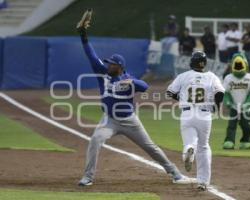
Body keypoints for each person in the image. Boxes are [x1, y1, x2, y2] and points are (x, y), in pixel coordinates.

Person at [76, 9, 193, 186]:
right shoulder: (103, 73)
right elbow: (90, 54)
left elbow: (145, 87)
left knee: (150, 148)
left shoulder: (127, 79)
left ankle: (175, 174)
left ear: (120, 67)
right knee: (95, 140)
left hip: (130, 121)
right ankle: (88, 177)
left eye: (112, 64)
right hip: (109, 119)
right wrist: (83, 34)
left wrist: (131, 83)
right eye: (108, 63)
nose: (108, 65)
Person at [167, 51, 225, 191]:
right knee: (204, 146)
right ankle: (202, 182)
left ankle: (188, 150)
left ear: (191, 62)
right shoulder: (211, 76)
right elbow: (220, 93)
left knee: (189, 142)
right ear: (204, 63)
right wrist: (216, 107)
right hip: (204, 115)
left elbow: (169, 92)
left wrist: (182, 98)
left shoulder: (183, 76)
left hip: (187, 113)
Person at [223, 54, 250, 150]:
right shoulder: (228, 78)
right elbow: (226, 93)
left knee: (247, 126)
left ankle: (245, 140)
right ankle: (229, 141)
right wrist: (228, 102)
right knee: (231, 125)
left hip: (246, 108)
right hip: (234, 107)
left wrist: (247, 104)